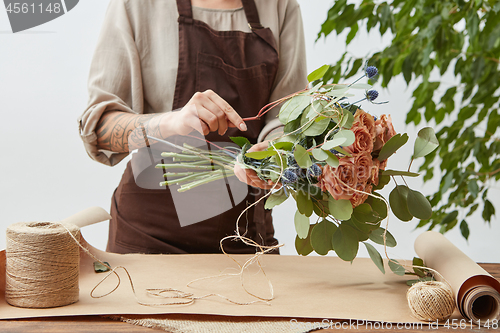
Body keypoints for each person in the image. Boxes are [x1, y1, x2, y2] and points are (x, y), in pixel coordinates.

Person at [78, 0, 307, 254]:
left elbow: (286, 119)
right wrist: (170, 122)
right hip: (149, 237)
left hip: (245, 235)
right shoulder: (136, 5)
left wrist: (275, 154)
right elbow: (98, 130)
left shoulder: (280, 6)